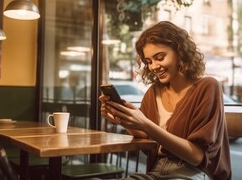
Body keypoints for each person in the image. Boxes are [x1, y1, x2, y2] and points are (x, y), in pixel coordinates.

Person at [99, 21, 231, 180]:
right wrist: (122, 119)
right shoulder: (153, 93)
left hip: (195, 173)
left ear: (180, 52)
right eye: (148, 61)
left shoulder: (208, 86)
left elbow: (197, 157)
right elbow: (147, 138)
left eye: (159, 57)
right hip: (156, 171)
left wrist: (145, 124)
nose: (153, 66)